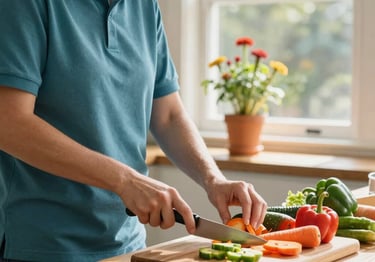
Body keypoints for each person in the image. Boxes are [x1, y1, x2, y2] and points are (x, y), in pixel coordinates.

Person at [0, 1, 267, 261]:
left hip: (128, 245)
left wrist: (213, 180)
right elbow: (8, 123)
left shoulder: (145, 6)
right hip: (40, 245)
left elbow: (169, 115)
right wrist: (125, 180)